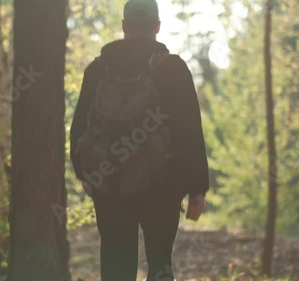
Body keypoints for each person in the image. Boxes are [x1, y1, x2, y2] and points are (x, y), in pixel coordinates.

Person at [70, 0, 210, 280]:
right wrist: (197, 190)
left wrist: (85, 173)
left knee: (116, 263)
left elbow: (79, 127)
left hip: (109, 182)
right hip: (163, 185)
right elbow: (190, 131)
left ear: (124, 27)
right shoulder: (173, 69)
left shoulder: (97, 70)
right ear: (157, 27)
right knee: (159, 261)